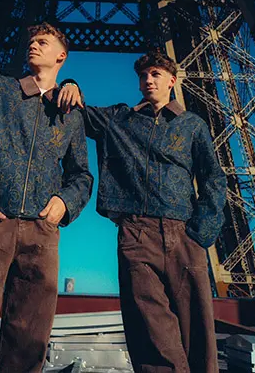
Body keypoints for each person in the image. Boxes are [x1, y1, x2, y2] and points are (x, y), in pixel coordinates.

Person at [57, 49, 227, 372]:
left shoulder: (192, 125)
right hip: (137, 234)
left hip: (184, 234)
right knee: (151, 332)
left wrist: (199, 234)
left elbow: (214, 178)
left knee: (199, 334)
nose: (148, 81)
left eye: (155, 75)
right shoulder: (120, 119)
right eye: (143, 76)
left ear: (172, 82)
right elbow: (81, 111)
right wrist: (70, 83)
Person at [0, 23, 93, 372]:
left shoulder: (71, 115)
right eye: (31, 41)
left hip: (41, 232)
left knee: (30, 335)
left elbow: (82, 174)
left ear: (61, 56)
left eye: (43, 41)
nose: (33, 46)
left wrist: (64, 204)